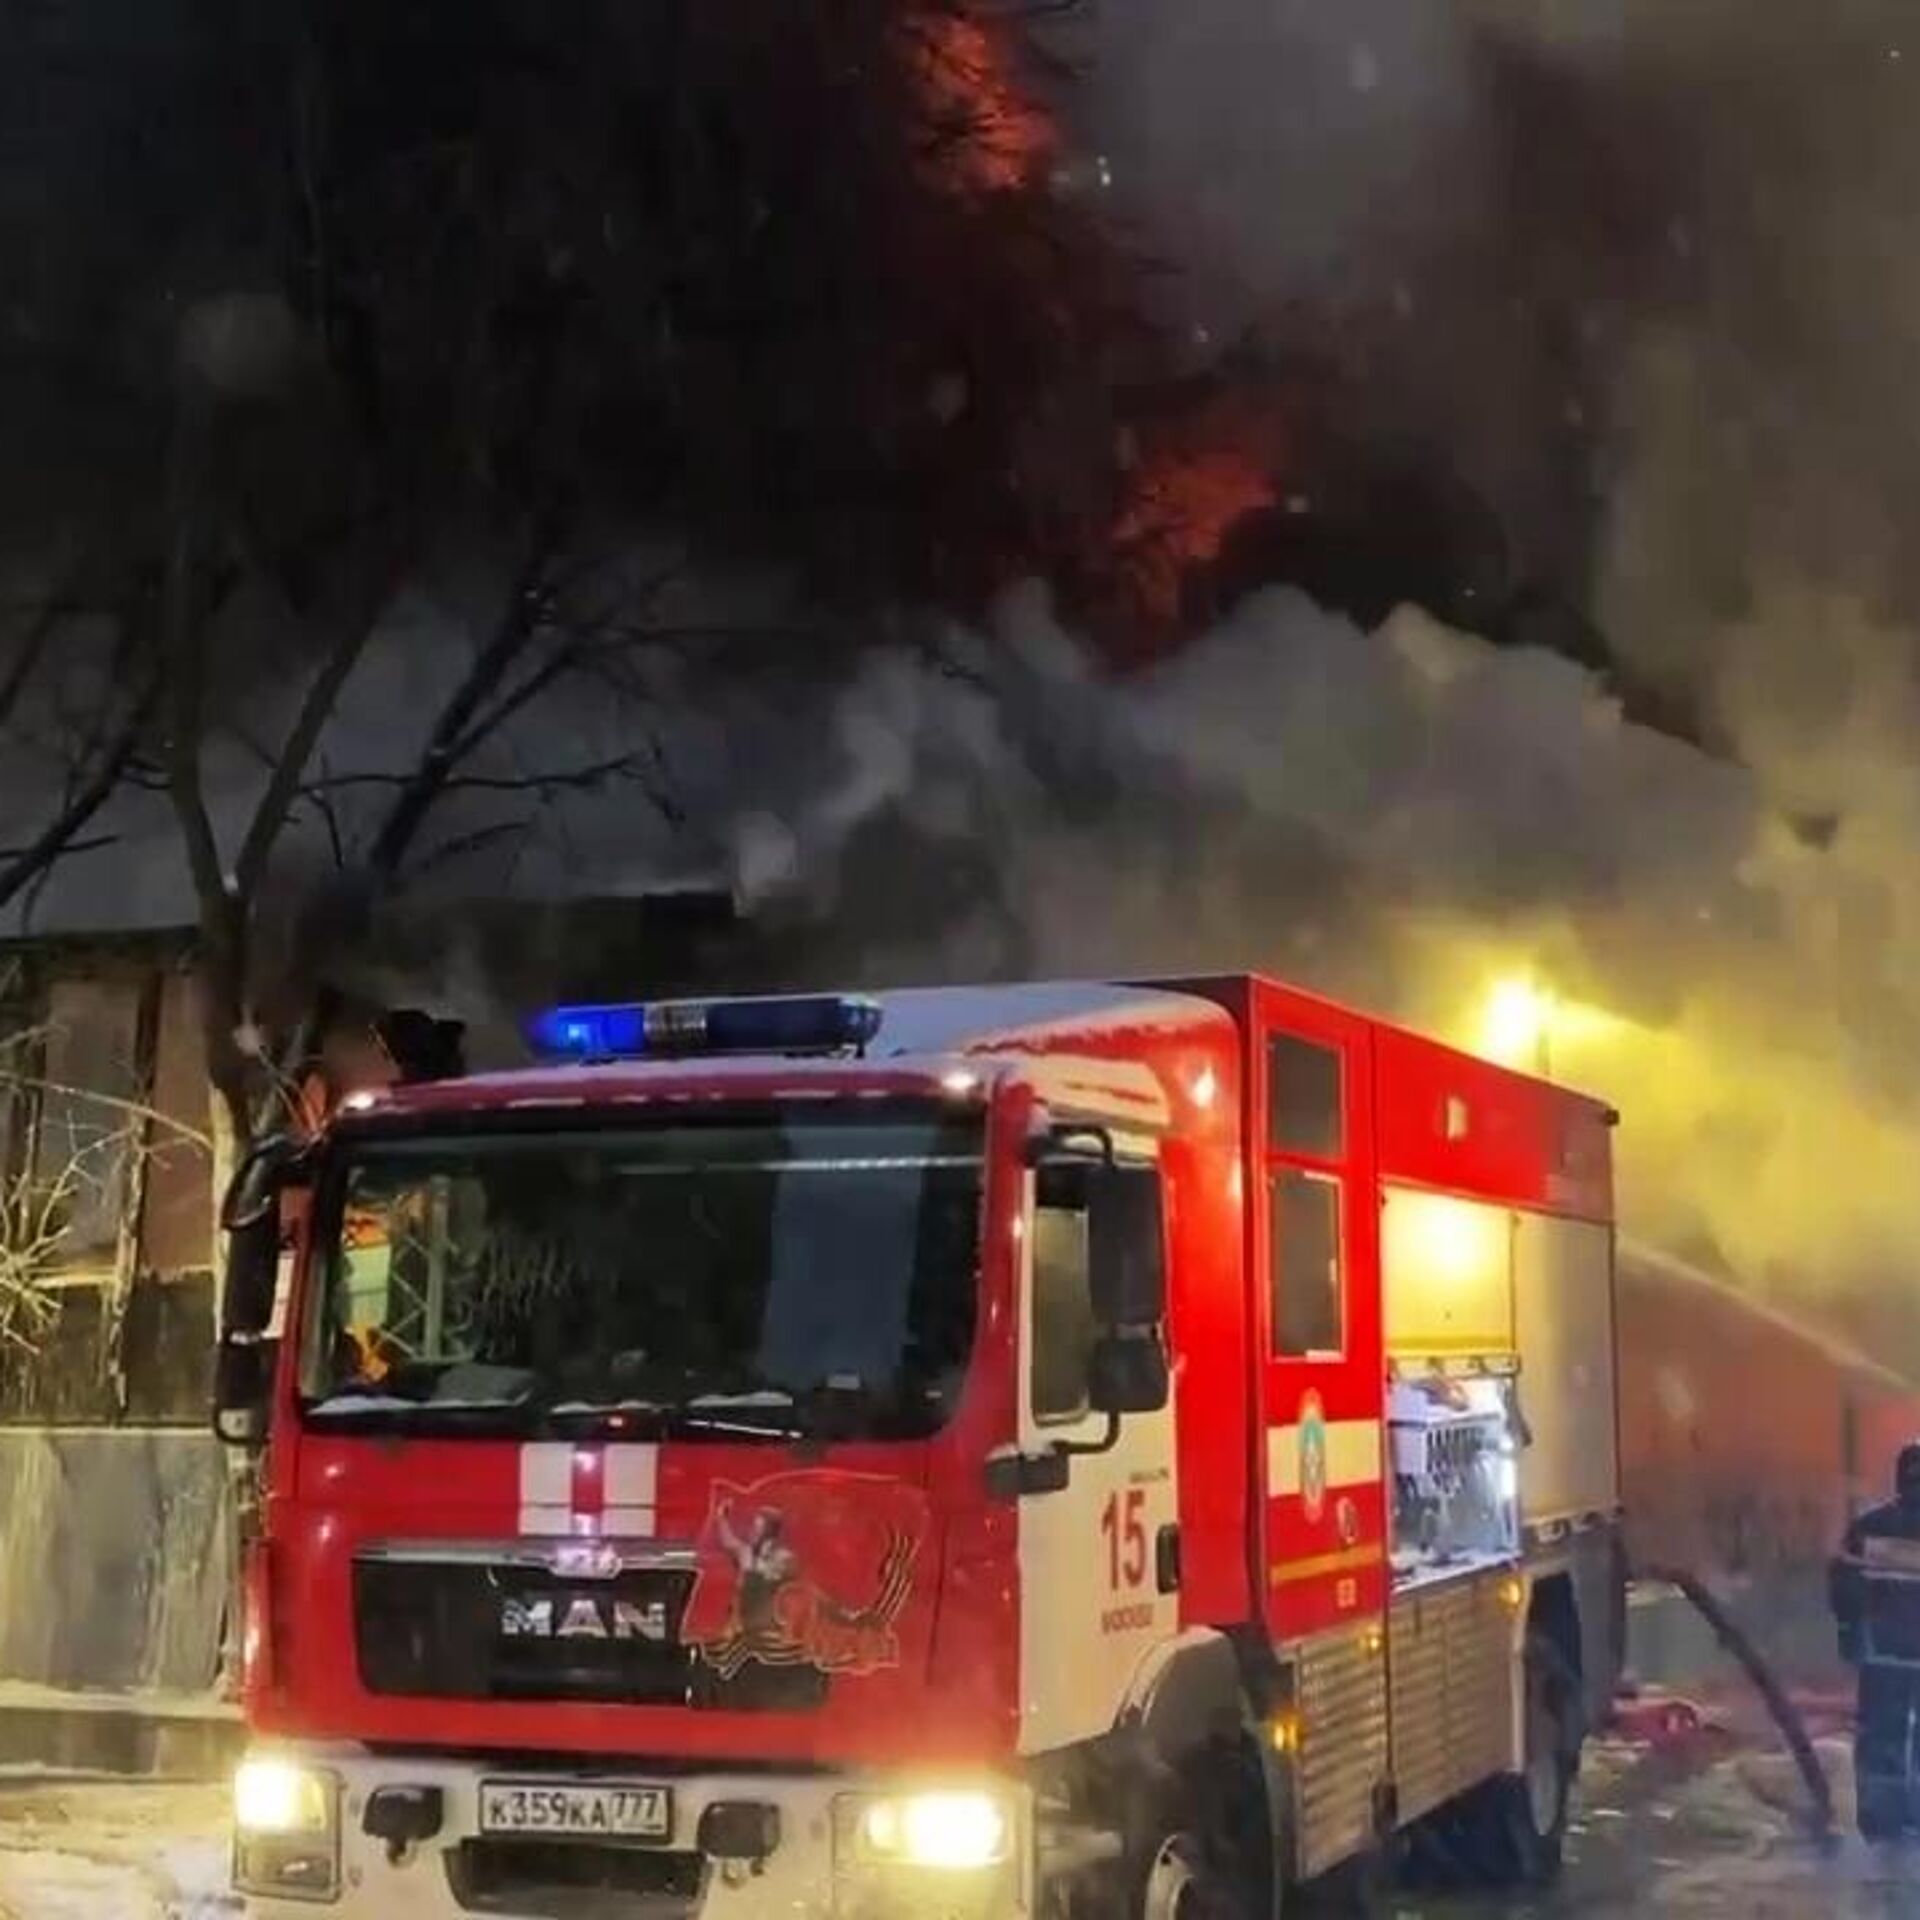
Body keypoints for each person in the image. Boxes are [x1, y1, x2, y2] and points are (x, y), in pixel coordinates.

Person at [1831, 1443, 1920, 1839]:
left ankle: (1881, 1821)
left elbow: (1843, 1586)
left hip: (1883, 1654)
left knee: (1880, 1736)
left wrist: (1850, 1634)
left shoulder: (1869, 1528)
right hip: (1893, 1653)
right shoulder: (1867, 1528)